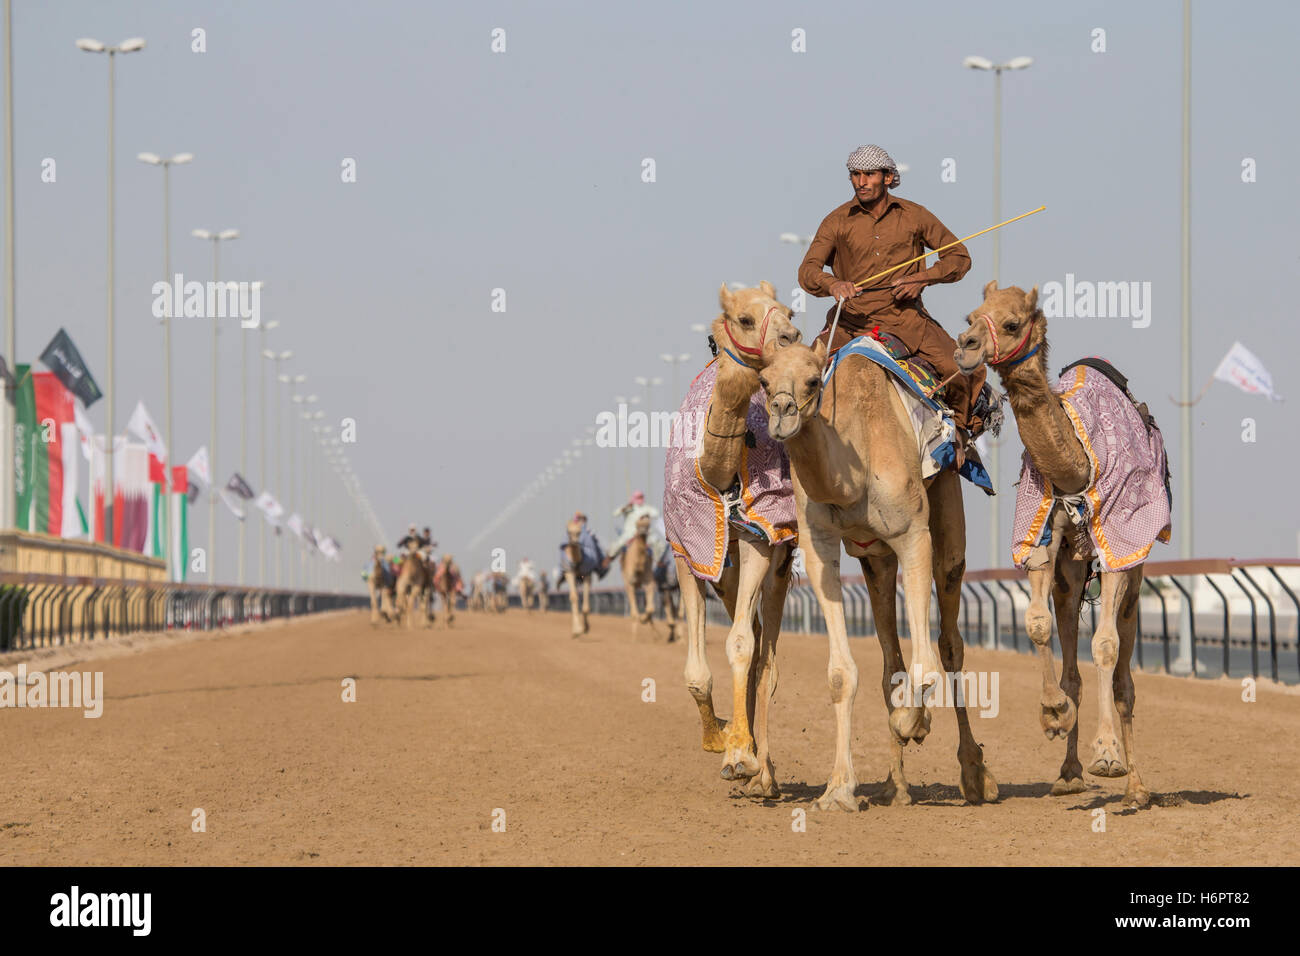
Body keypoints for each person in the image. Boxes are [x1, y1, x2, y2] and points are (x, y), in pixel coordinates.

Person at [798, 144, 989, 462]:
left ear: (887, 177)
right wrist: (834, 284)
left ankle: (960, 434)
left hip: (907, 321)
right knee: (798, 374)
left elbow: (959, 257)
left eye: (869, 174)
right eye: (855, 175)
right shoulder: (836, 221)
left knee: (961, 369)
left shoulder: (914, 215)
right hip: (849, 322)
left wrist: (922, 278)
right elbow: (807, 271)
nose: (861, 182)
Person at [607, 491, 662, 563]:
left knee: (658, 543)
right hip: (630, 534)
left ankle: (657, 561)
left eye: (641, 497)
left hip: (645, 533)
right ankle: (609, 558)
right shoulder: (629, 507)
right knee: (617, 545)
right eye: (638, 497)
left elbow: (656, 514)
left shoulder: (646, 508)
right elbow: (615, 514)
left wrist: (647, 514)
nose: (640, 498)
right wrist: (625, 508)